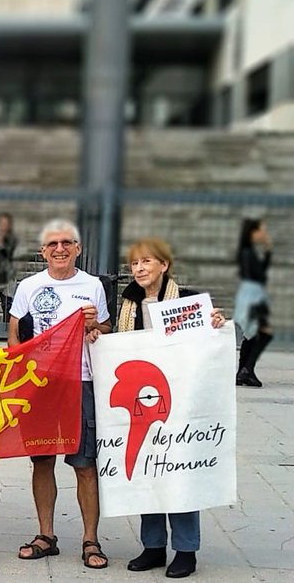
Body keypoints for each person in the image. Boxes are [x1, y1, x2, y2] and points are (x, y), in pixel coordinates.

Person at [110, 237, 225, 579]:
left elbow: (207, 347)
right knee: (147, 472)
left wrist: (215, 322)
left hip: (180, 403)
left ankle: (186, 550)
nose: (140, 269)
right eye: (134, 264)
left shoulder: (188, 302)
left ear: (164, 265)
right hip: (143, 403)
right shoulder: (128, 303)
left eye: (147, 262)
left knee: (179, 474)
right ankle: (153, 546)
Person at [9, 219, 111, 569]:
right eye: (52, 244)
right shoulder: (28, 286)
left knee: (85, 464)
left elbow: (106, 328)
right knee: (41, 460)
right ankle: (46, 535)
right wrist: (20, 378)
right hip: (41, 384)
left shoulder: (93, 285)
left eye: (67, 243)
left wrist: (96, 325)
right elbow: (14, 336)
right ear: (43, 251)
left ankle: (90, 539)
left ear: (78, 248)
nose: (60, 249)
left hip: (80, 382)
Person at [234, 218, 272, 388]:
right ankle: (247, 370)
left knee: (251, 335)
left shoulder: (247, 251)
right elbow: (259, 275)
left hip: (252, 294)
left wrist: (268, 251)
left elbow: (260, 272)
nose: (263, 234)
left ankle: (242, 372)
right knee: (264, 332)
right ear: (253, 232)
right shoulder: (247, 252)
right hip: (253, 296)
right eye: (261, 231)